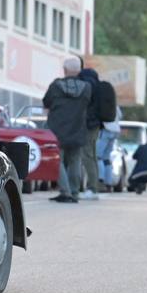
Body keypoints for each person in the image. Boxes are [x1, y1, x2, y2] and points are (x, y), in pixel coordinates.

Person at [42, 57, 92, 203]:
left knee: (57, 161)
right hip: (78, 128)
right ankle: (74, 192)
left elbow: (46, 102)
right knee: (75, 161)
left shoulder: (56, 86)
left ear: (64, 70)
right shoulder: (86, 88)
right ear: (79, 70)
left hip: (57, 130)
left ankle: (65, 191)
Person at [76, 63, 104, 199]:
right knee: (92, 156)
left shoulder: (87, 86)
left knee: (86, 155)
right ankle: (94, 187)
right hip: (96, 125)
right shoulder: (97, 86)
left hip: (88, 124)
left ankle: (92, 188)